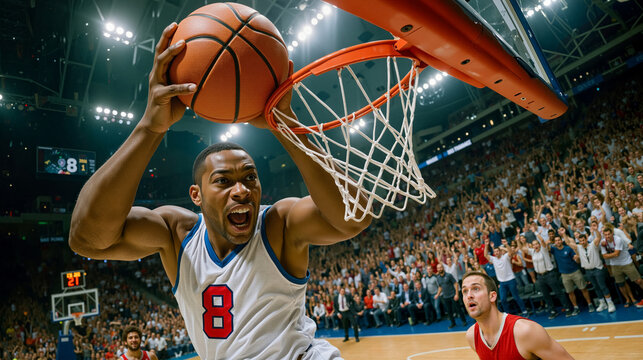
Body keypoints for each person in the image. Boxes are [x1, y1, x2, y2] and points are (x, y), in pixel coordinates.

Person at [69, 23, 372, 359]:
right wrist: (149, 128)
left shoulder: (279, 224)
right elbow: (86, 237)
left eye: (250, 177)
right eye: (224, 181)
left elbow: (353, 218)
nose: (241, 190)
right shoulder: (177, 233)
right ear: (196, 196)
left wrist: (287, 124)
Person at [462, 271, 575, 359]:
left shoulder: (526, 331)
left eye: (475, 289)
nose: (469, 295)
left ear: (492, 296)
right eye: (465, 291)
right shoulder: (471, 336)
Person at [482, 239, 529, 316]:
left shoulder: (505, 257)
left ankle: (524, 311)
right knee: (503, 299)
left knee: (516, 297)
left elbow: (511, 252)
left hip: (511, 280)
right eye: (495, 252)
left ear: (500, 251)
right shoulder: (493, 259)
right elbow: (485, 255)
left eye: (497, 251)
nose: (496, 253)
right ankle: (507, 314)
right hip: (502, 283)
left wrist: (506, 244)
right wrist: (486, 245)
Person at [436, 264, 467, 329]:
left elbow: (456, 284)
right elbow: (440, 287)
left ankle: (464, 321)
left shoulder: (449, 275)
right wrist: (437, 294)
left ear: (443, 268)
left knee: (458, 309)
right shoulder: (438, 278)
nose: (439, 269)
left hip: (453, 295)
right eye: (438, 268)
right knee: (449, 311)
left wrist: (457, 294)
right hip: (445, 297)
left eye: (440, 267)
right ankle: (453, 323)